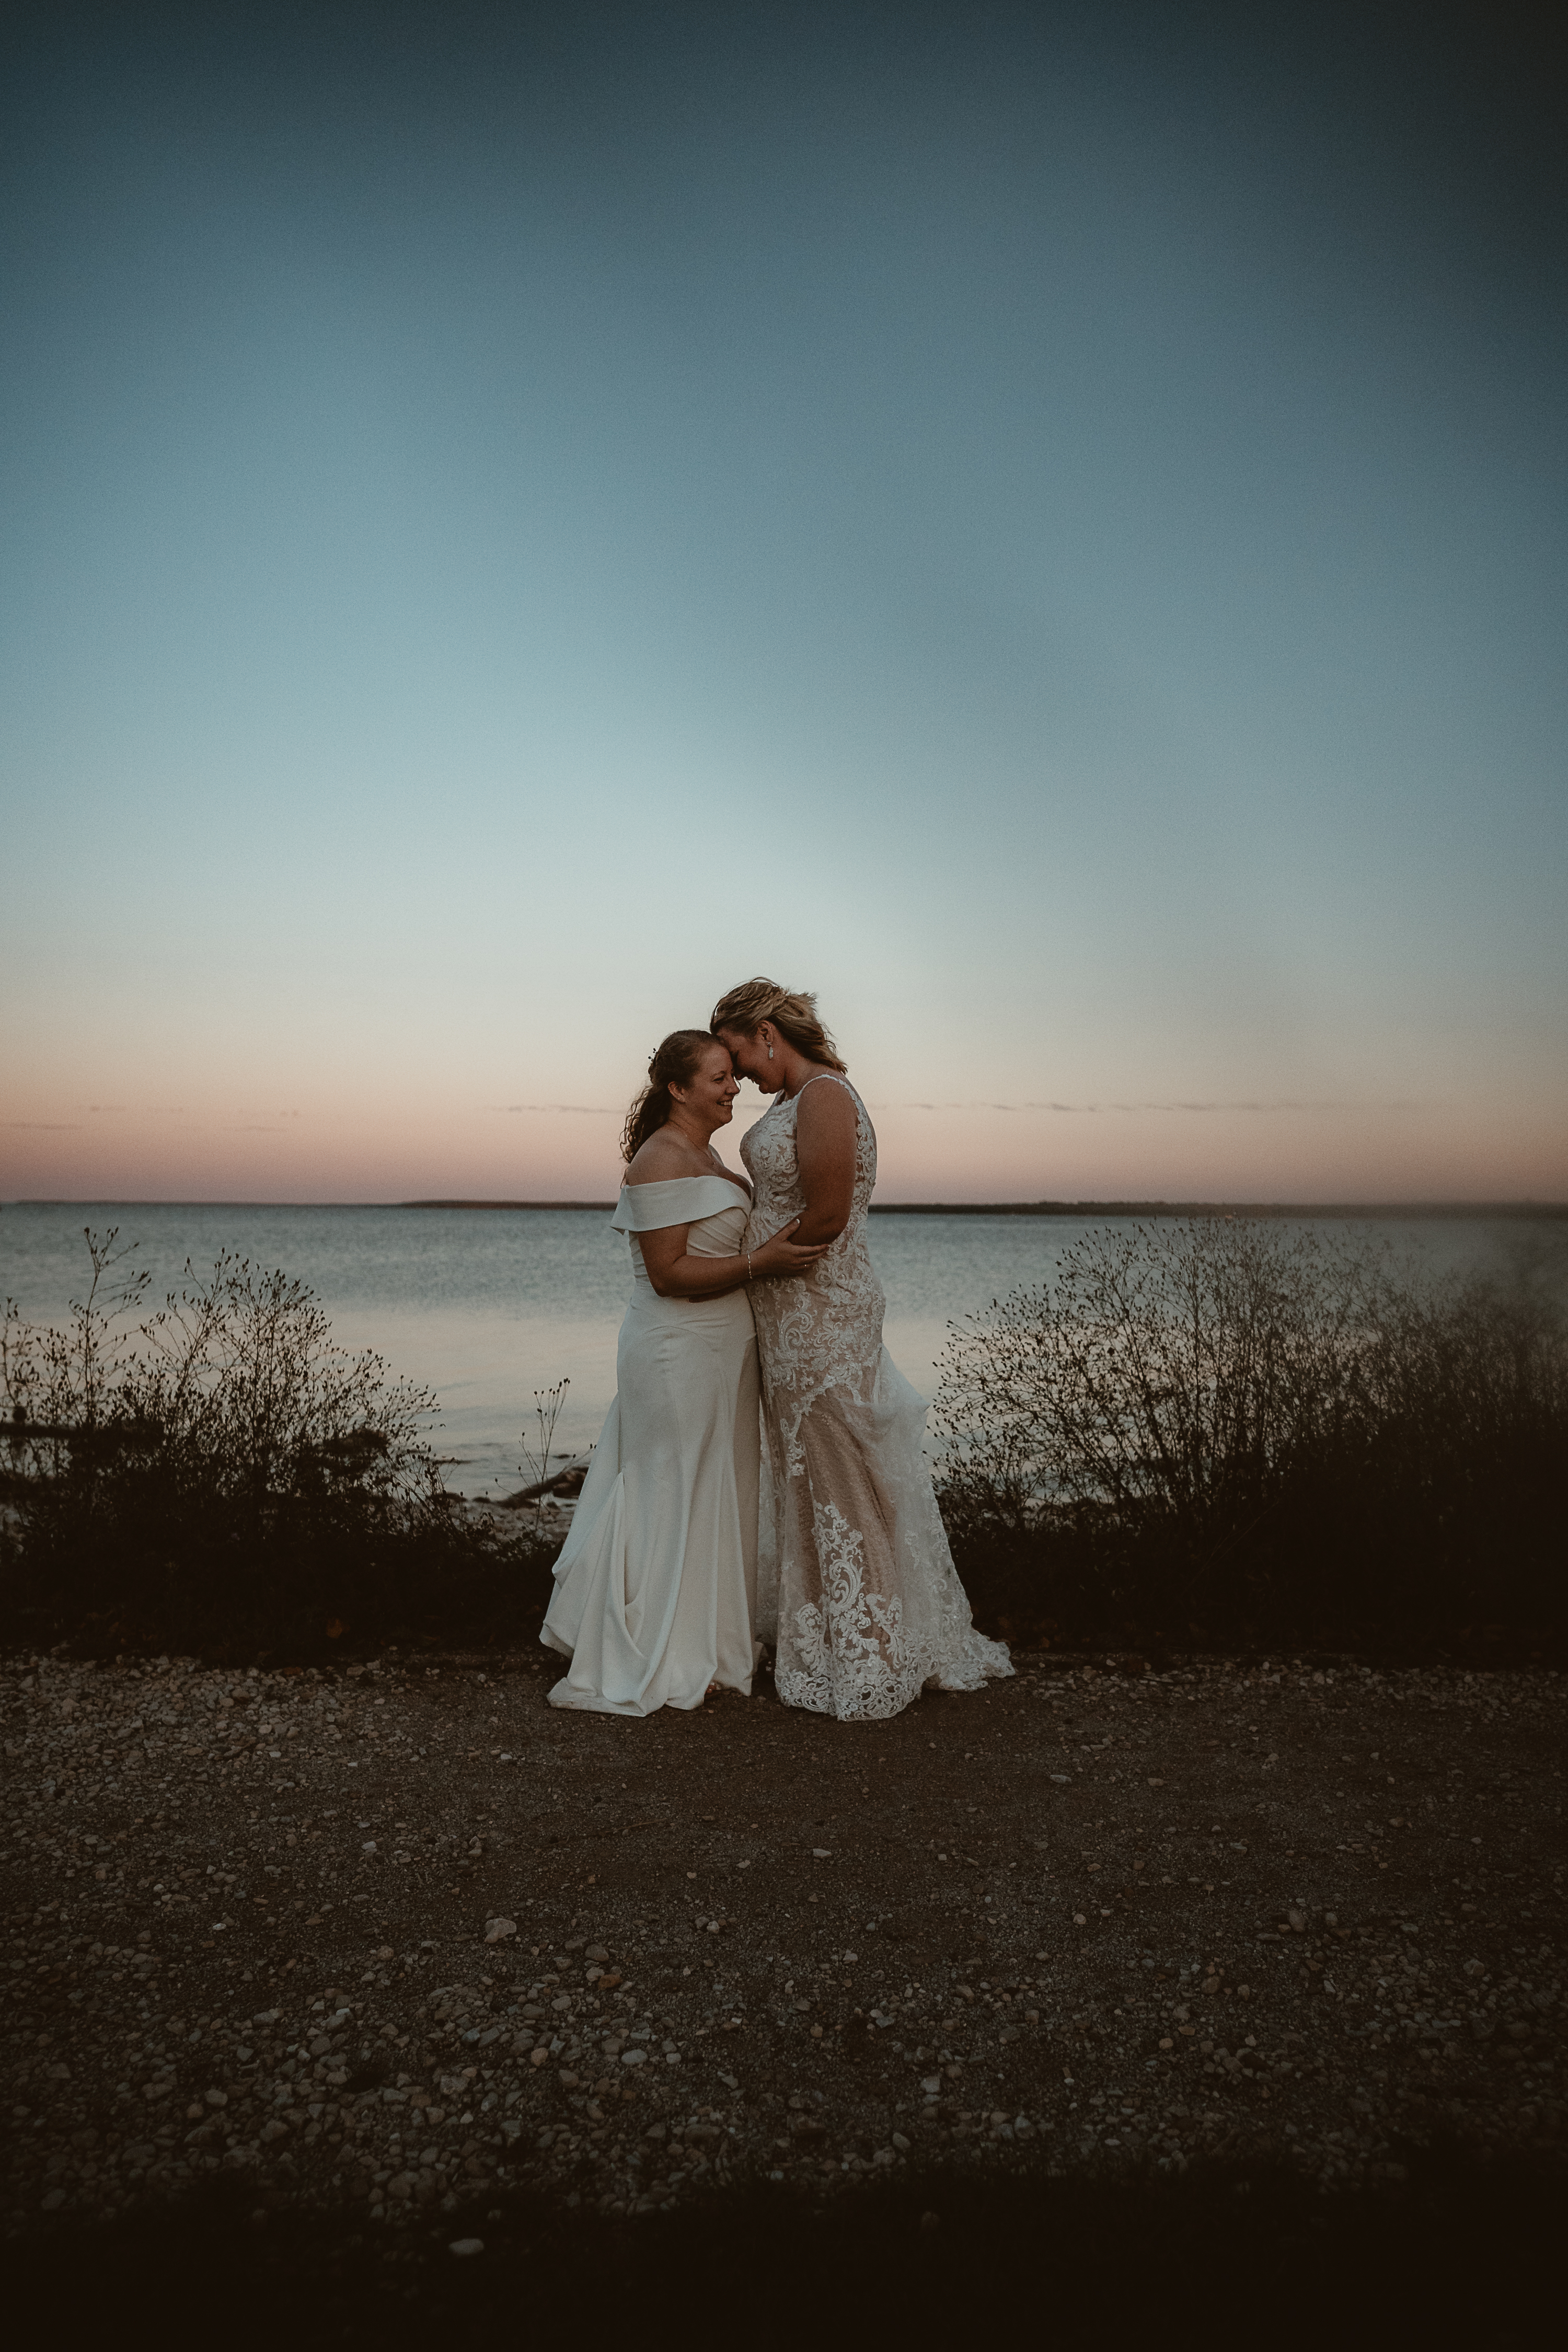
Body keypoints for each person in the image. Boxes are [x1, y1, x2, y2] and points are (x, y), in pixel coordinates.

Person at [710, 978, 1012, 1721]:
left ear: (769, 1031)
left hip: (820, 1316)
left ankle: (873, 1652)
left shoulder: (824, 1097)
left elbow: (830, 1215)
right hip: (788, 1318)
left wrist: (758, 1265)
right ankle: (839, 1636)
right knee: (810, 1476)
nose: (741, 1074)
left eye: (741, 1054)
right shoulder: (792, 1100)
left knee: (843, 1475)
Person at [541, 1028, 827, 1715]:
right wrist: (764, 1263)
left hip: (724, 1350)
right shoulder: (661, 1158)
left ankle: (714, 1649)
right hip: (675, 1349)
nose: (735, 1088)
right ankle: (657, 1647)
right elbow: (669, 1275)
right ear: (678, 1088)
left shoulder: (704, 1153)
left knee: (718, 1489)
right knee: (670, 1486)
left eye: (733, 1076)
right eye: (720, 1078)